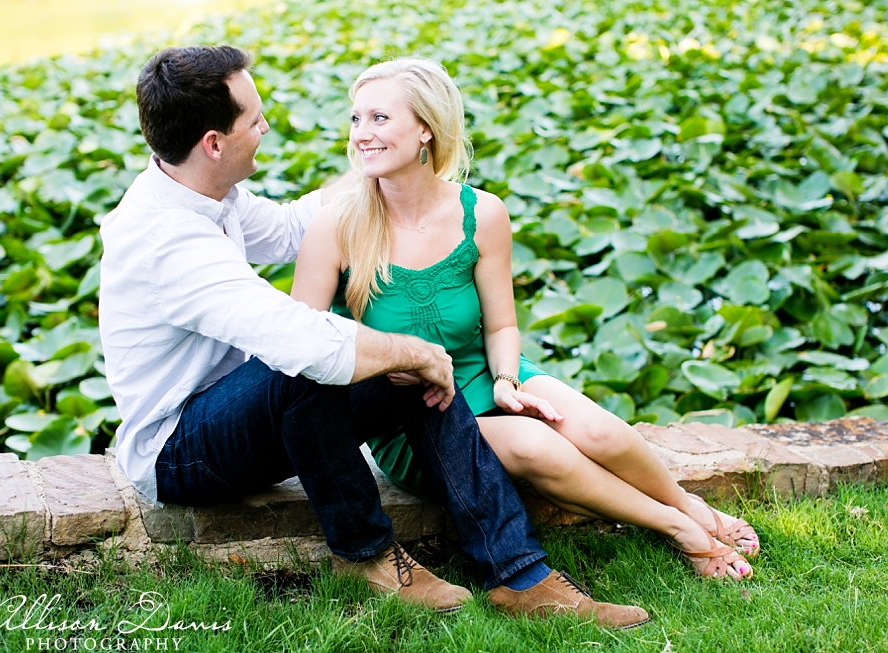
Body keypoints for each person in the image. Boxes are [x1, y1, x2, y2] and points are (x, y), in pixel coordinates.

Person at [98, 45, 649, 629]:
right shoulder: (166, 239)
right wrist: (416, 350)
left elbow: (290, 228)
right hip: (180, 450)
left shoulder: (207, 193)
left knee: (406, 374)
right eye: (254, 120)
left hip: (241, 412)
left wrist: (381, 159)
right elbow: (299, 340)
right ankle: (365, 554)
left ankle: (521, 576)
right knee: (320, 361)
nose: (265, 127)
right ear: (213, 142)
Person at [291, 57, 760, 582]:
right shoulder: (336, 225)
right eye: (356, 120)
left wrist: (508, 381)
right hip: (412, 410)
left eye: (379, 118)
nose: (361, 135)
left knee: (602, 433)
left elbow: (500, 327)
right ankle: (678, 528)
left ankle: (689, 504)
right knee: (542, 449)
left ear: (426, 128)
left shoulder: (481, 212)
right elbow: (307, 343)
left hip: (482, 370)